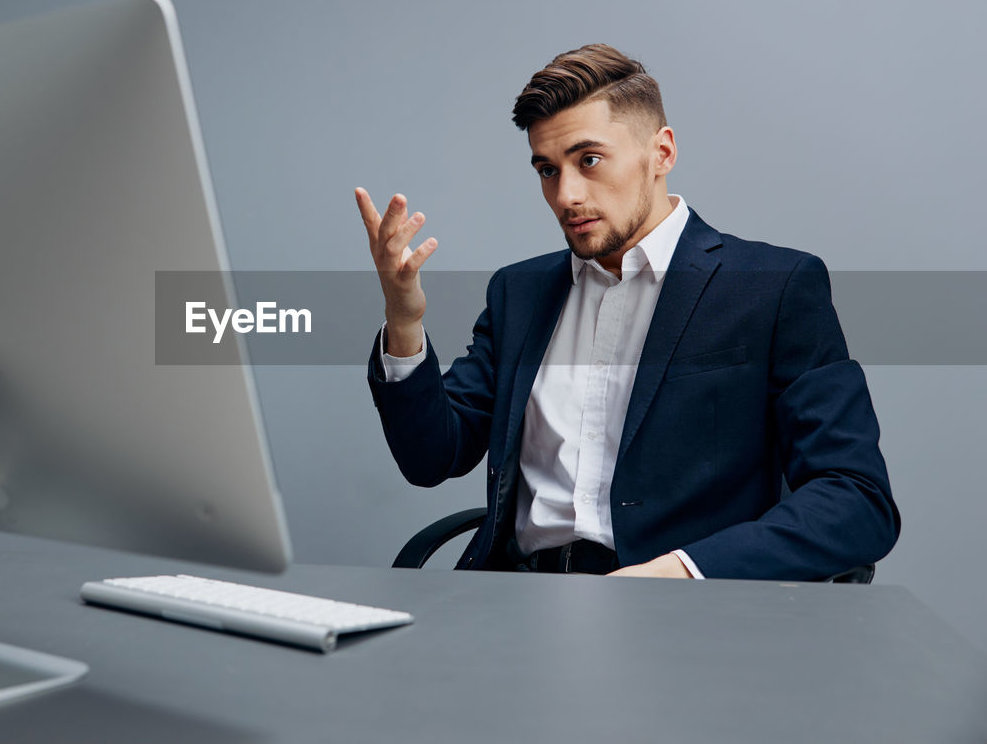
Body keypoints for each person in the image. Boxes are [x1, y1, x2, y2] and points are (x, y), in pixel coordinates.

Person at [355, 44, 899, 580]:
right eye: (547, 169)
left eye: (588, 160)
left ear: (661, 153)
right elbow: (432, 459)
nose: (566, 195)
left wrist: (684, 572)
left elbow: (856, 498)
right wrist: (404, 321)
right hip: (515, 604)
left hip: (682, 616)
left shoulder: (773, 288)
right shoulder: (517, 293)